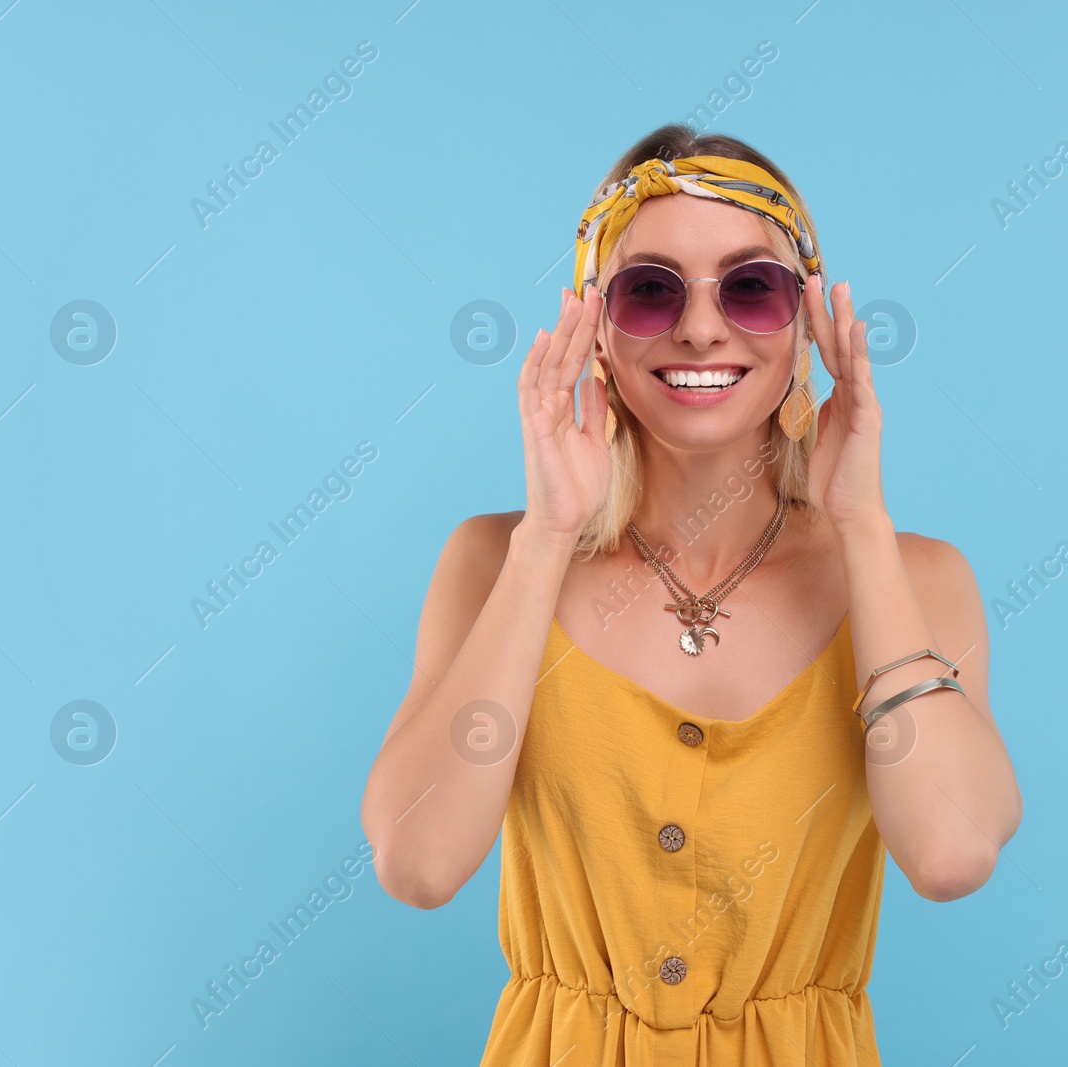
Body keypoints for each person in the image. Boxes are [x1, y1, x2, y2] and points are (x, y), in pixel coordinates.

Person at [361, 124, 1023, 1065]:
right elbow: (417, 864)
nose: (702, 327)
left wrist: (862, 527)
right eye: (649, 291)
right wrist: (547, 537)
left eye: (752, 288)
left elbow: (951, 853)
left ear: (803, 325)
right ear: (594, 323)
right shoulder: (492, 562)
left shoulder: (917, 580)